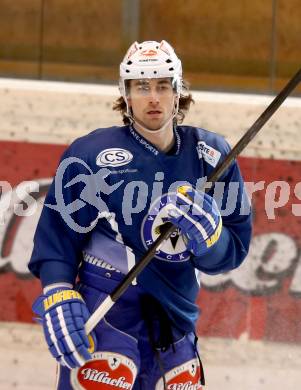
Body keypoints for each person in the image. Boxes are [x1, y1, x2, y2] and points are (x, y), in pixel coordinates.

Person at [29, 40, 252, 389]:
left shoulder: (212, 155)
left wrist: (211, 240)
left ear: (178, 92)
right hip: (106, 307)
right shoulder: (91, 154)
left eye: (163, 85)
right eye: (141, 86)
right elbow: (58, 234)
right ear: (126, 93)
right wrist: (57, 291)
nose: (153, 97)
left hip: (175, 319)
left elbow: (231, 252)